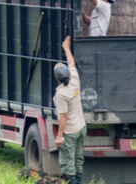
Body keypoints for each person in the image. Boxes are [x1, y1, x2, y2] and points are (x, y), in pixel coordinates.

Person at [53, 36, 86, 184]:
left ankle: (72, 182)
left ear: (57, 78)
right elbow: (71, 63)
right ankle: (78, 181)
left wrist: (59, 136)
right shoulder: (75, 80)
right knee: (78, 158)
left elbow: (63, 116)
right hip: (81, 127)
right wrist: (66, 48)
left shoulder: (61, 94)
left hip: (71, 132)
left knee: (67, 162)